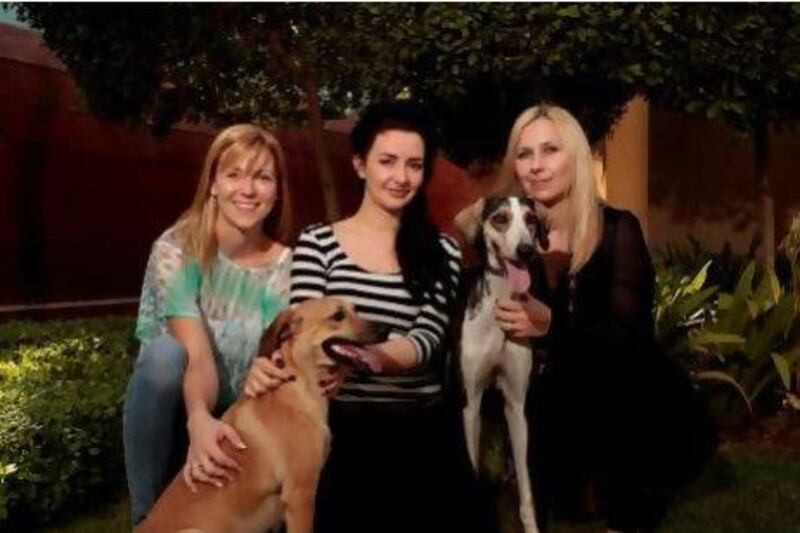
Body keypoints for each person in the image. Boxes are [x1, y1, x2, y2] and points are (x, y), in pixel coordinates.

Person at [246, 101, 492, 533]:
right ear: (360, 164)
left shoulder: (444, 252)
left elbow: (424, 341)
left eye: (414, 165)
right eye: (387, 161)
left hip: (421, 425)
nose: (401, 177)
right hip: (342, 428)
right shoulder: (318, 243)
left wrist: (360, 357)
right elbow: (305, 333)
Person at [489, 104, 716, 532]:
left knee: (624, 385)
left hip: (619, 393)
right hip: (545, 400)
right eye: (524, 154)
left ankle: (625, 513)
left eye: (550, 150)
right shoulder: (500, 235)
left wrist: (552, 325)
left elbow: (629, 340)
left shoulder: (617, 230)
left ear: (575, 156)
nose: (536, 166)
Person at [123, 124, 294, 526]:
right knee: (165, 354)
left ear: (277, 190)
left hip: (247, 421)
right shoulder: (177, 250)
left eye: (262, 177)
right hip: (183, 410)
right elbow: (197, 356)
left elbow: (276, 361)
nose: (248, 190)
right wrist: (199, 419)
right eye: (234, 174)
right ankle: (147, 519)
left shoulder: (286, 266)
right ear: (213, 183)